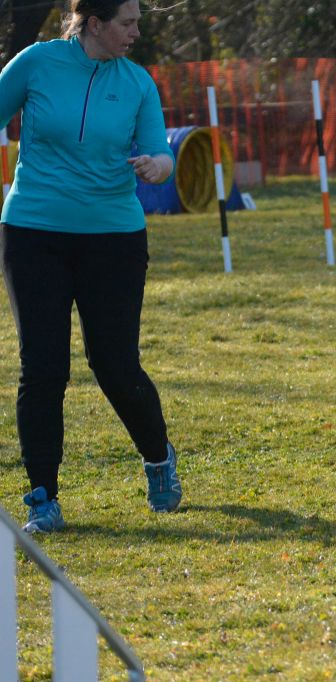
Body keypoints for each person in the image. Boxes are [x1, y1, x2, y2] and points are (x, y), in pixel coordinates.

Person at [0, 0, 182, 533]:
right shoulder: (37, 62)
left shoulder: (137, 82)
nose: (137, 32)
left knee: (115, 365)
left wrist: (158, 164)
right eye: (128, 23)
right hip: (34, 232)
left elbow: (160, 149)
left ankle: (158, 459)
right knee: (43, 367)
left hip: (113, 238)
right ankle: (43, 499)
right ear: (95, 24)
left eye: (139, 22)